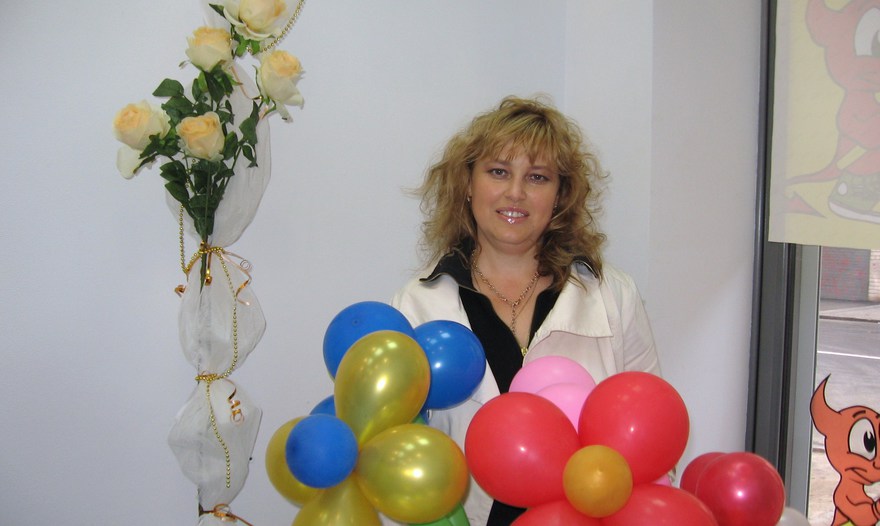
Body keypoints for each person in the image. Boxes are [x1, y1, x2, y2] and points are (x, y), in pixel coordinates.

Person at [392, 95, 661, 525]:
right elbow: (400, 455)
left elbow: (652, 435)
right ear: (468, 184)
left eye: (537, 177)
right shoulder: (417, 303)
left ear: (559, 196)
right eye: (498, 171)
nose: (515, 192)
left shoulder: (613, 294)